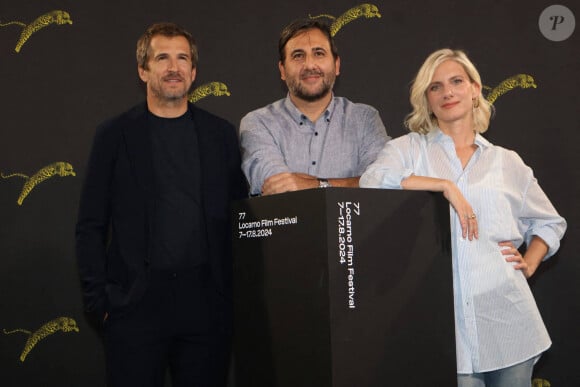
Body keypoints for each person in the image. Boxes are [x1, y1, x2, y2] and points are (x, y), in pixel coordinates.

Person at [360, 48, 566, 386]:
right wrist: (443, 185)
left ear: (475, 89)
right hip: (443, 329)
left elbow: (550, 222)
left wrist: (529, 262)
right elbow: (372, 181)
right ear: (426, 99)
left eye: (456, 81)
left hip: (509, 323)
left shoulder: (507, 162)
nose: (447, 93)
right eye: (435, 87)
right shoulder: (409, 150)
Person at [75, 22, 247, 387]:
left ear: (194, 71)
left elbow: (239, 215)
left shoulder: (221, 135)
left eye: (182, 58)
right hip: (135, 305)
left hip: (206, 305)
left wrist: (228, 295)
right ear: (143, 70)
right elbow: (91, 223)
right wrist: (100, 302)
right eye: (162, 57)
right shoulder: (114, 135)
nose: (174, 67)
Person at [239, 18, 390, 196]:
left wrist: (318, 185)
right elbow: (280, 188)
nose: (310, 65)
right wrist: (353, 183)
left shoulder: (365, 119)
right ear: (282, 70)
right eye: (298, 55)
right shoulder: (258, 123)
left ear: (337, 65)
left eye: (319, 53)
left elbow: (382, 183)